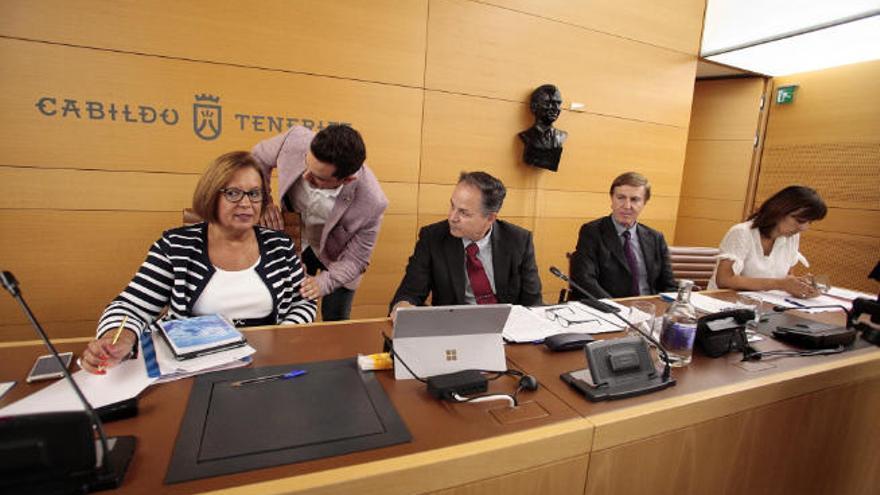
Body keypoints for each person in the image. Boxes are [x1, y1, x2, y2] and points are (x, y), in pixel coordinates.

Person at [81, 151, 316, 374]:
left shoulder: (280, 245)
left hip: (269, 363)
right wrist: (120, 338)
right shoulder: (176, 246)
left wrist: (282, 341)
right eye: (233, 193)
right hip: (193, 368)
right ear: (211, 195)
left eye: (255, 194)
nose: (246, 203)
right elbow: (130, 307)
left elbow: (303, 302)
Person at [253, 124, 388, 321]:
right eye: (307, 165)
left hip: (338, 258)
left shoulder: (373, 201)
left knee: (336, 320)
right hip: (295, 240)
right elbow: (257, 158)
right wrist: (264, 200)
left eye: (318, 178)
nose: (305, 176)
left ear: (347, 180)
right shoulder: (294, 140)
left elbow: (356, 259)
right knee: (284, 307)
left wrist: (323, 283)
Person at [389, 171, 542, 315]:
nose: (452, 217)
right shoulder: (432, 238)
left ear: (490, 218)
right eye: (452, 206)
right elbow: (409, 293)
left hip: (506, 329)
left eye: (463, 212)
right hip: (454, 329)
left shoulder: (518, 240)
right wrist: (402, 307)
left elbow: (533, 303)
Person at [570, 172, 677, 299]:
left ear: (644, 203)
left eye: (634, 199)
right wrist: (617, 307)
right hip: (611, 310)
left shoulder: (655, 238)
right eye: (621, 198)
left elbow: (669, 285)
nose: (627, 206)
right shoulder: (592, 232)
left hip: (650, 309)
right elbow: (585, 280)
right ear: (612, 199)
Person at [709, 185, 827, 297]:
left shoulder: (792, 237)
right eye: (800, 220)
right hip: (724, 305)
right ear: (779, 211)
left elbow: (787, 277)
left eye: (809, 222)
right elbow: (724, 280)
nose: (804, 228)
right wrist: (781, 284)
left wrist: (799, 286)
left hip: (763, 306)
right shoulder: (742, 232)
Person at [518, 84, 568, 171]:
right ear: (534, 106)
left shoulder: (561, 136)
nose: (555, 108)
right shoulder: (527, 136)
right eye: (549, 103)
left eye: (558, 103)